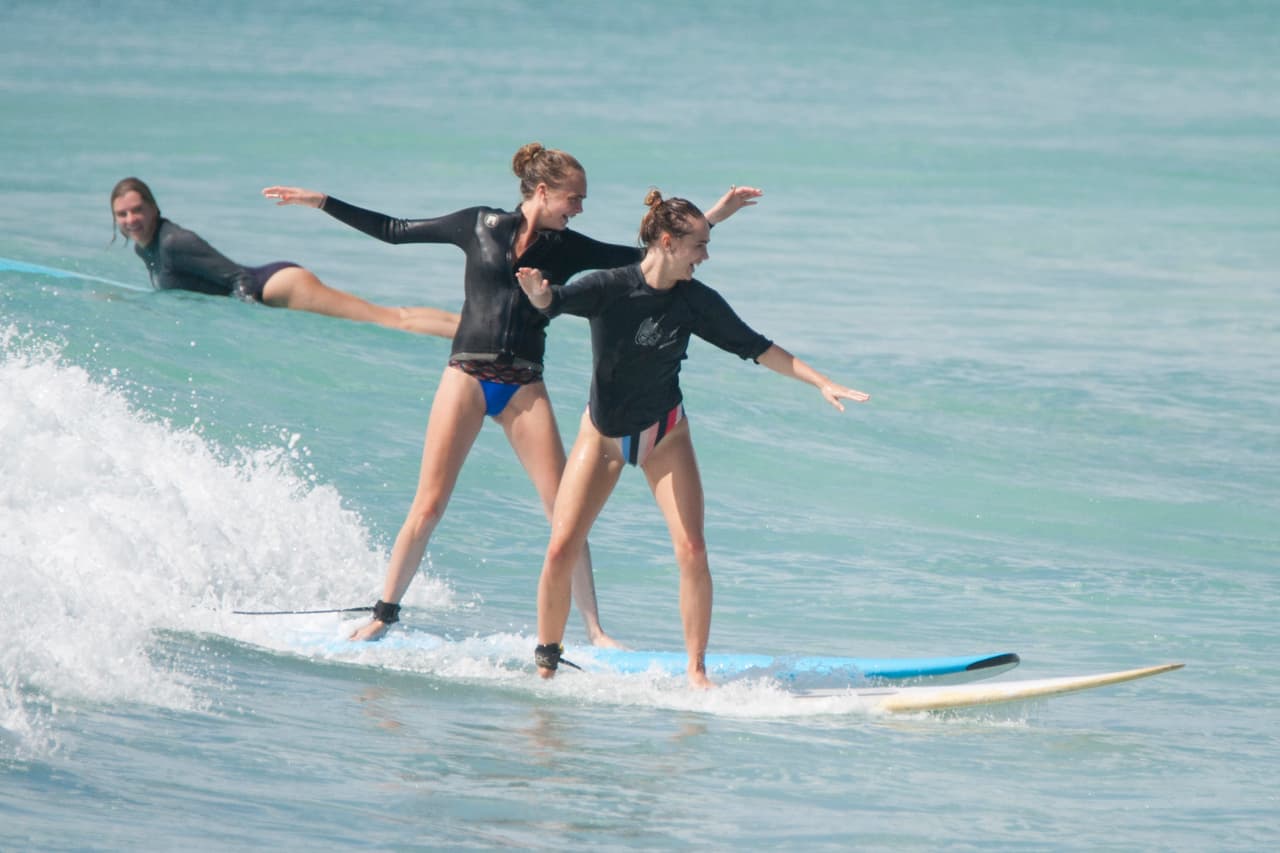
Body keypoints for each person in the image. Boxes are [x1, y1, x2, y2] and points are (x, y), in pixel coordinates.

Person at [262, 144, 761, 645]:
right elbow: (395, 231)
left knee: (563, 514)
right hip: (466, 375)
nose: (580, 208)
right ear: (543, 192)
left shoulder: (567, 247)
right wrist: (323, 201)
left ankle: (593, 629)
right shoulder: (478, 224)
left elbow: (653, 255)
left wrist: (714, 216)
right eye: (575, 198)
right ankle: (382, 614)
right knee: (430, 503)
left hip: (524, 383)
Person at [516, 189, 870, 688]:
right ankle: (547, 659)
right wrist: (538, 295)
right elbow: (554, 302)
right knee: (561, 549)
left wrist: (821, 382)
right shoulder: (610, 287)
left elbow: (757, 346)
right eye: (699, 246)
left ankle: (696, 670)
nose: (706, 256)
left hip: (664, 433)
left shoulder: (694, 301)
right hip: (601, 435)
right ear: (668, 242)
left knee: (692, 550)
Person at [109, 177, 459, 337]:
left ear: (154, 208)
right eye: (122, 215)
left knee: (388, 320)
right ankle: (469, 324)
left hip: (279, 288)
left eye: (137, 210)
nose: (130, 220)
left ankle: (477, 332)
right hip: (276, 285)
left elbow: (238, 280)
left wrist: (253, 324)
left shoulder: (173, 242)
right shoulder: (148, 247)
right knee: (390, 314)